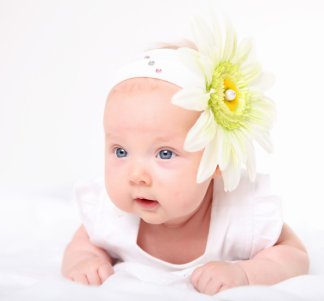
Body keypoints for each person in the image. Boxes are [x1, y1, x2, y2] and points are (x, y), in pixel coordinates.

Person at [61, 17, 309, 295]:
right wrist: (85, 258)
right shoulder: (110, 215)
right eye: (121, 151)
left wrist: (244, 272)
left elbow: (294, 255)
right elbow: (83, 243)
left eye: (164, 154)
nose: (137, 175)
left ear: (217, 160)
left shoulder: (240, 216)